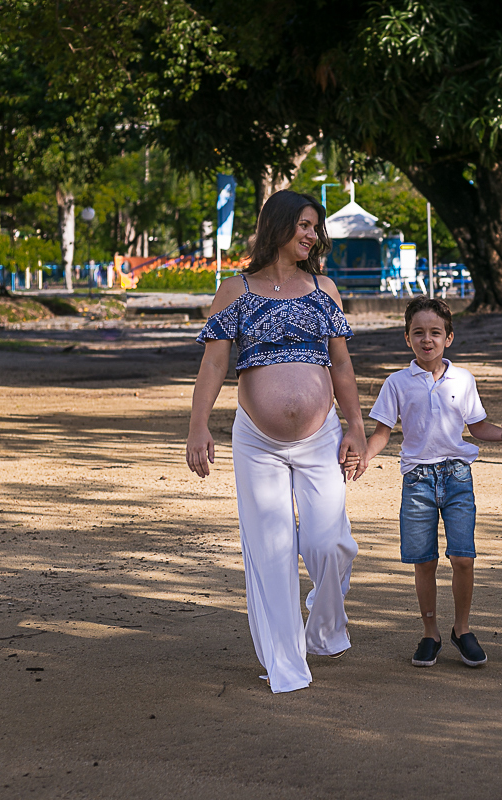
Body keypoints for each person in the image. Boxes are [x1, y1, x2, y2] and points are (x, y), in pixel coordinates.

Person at [186, 189, 369, 694]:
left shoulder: (324, 289)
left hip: (320, 437)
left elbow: (342, 365)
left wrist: (355, 425)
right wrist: (198, 425)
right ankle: (285, 665)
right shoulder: (235, 290)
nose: (312, 235)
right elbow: (214, 364)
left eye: (314, 227)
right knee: (271, 549)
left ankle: (325, 627)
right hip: (257, 442)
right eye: (304, 225)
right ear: (278, 226)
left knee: (329, 543)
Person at [365, 296, 502, 668]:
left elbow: (477, 426)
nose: (426, 339)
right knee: (424, 561)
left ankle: (462, 629)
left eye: (435, 332)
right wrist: (363, 455)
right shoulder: (397, 383)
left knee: (463, 557)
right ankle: (430, 633)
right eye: (418, 333)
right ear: (407, 338)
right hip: (417, 481)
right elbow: (383, 432)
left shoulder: (463, 379)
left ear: (449, 337)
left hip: (457, 476)